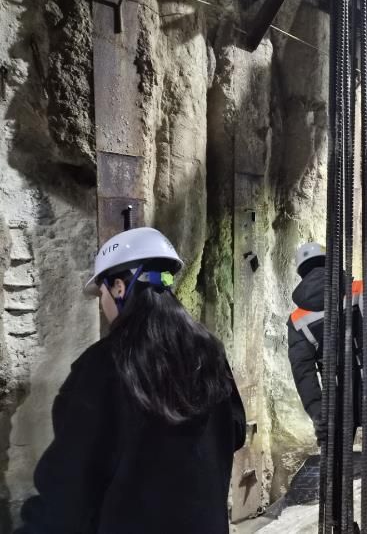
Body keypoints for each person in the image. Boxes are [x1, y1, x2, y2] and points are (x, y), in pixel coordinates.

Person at [16, 227, 246, 534]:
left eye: (102, 294)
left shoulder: (102, 364)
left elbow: (70, 484)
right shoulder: (210, 351)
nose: (103, 304)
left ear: (119, 287)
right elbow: (236, 431)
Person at [287, 242, 367, 532]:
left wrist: (318, 412)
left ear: (301, 272)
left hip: (336, 396)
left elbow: (304, 372)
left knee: (336, 464)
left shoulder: (298, 318)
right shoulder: (361, 290)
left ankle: (340, 523)